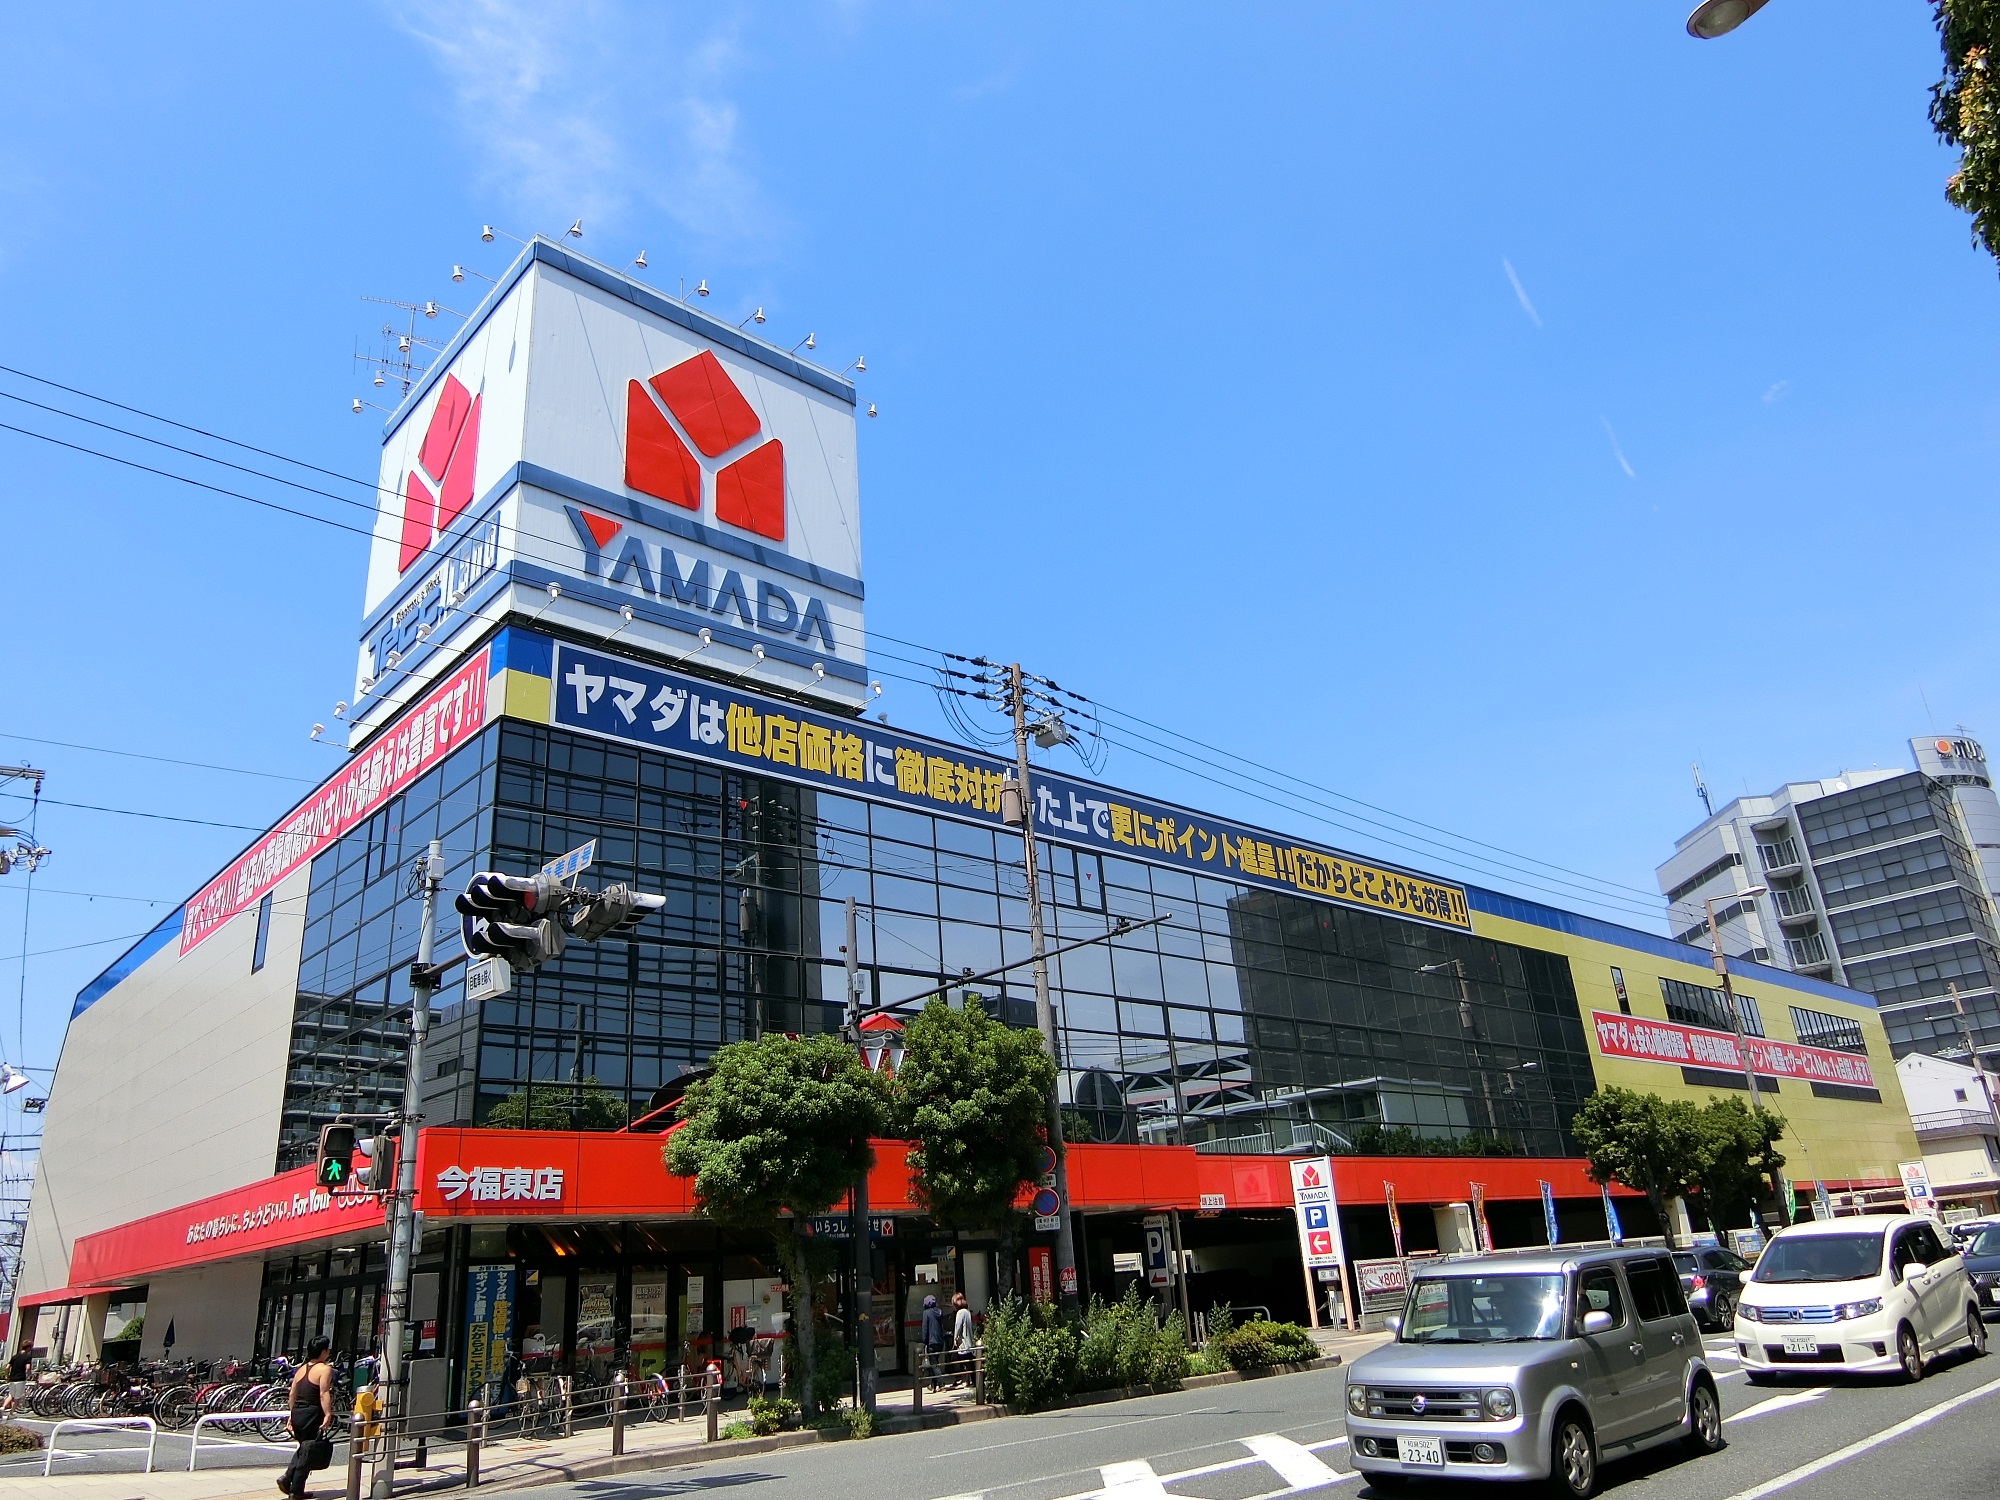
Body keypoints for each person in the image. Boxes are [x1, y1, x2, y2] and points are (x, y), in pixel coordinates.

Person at [278, 1335, 334, 1500]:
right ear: (323, 1352)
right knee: (308, 1451)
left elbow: (292, 1394)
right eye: (327, 1349)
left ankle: (287, 1478)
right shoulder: (324, 1369)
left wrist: (291, 1414)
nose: (328, 1352)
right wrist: (328, 1413)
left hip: (298, 1412)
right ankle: (296, 1490)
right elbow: (323, 1393)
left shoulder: (301, 1369)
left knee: (304, 1448)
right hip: (312, 1412)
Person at [950, 1292, 975, 1387]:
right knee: (969, 1363)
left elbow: (958, 1326)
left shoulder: (960, 1313)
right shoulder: (967, 1312)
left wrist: (955, 1338)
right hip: (969, 1342)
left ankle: (960, 1379)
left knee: (956, 1360)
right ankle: (972, 1380)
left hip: (963, 1343)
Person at [919, 1294, 943, 1389]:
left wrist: (924, 1341)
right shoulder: (939, 1312)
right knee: (935, 1362)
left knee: (933, 1364)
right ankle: (933, 1385)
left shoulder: (926, 1313)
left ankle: (941, 1383)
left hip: (931, 1341)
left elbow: (925, 1328)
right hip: (940, 1341)